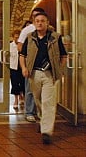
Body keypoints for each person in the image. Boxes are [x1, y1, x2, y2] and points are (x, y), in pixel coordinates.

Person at [19, 12, 67, 144]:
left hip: (49, 74)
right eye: (37, 21)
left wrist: (60, 70)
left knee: (48, 102)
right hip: (34, 74)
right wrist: (23, 68)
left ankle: (46, 131)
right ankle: (41, 119)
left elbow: (63, 56)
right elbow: (22, 55)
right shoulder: (29, 38)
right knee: (38, 100)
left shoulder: (55, 38)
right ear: (34, 23)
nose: (40, 23)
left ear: (47, 23)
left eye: (42, 21)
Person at [17, 7, 45, 122]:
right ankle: (29, 111)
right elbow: (20, 46)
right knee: (30, 89)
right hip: (31, 64)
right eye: (35, 17)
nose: (38, 19)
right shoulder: (27, 31)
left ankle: (40, 111)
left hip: (44, 65)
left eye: (40, 16)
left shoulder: (49, 31)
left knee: (43, 89)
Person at [9, 29, 25, 109]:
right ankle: (16, 100)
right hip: (13, 67)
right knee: (15, 83)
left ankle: (22, 97)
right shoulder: (10, 46)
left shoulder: (23, 45)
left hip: (22, 67)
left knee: (23, 83)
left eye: (18, 37)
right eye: (15, 37)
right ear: (12, 37)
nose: (17, 39)